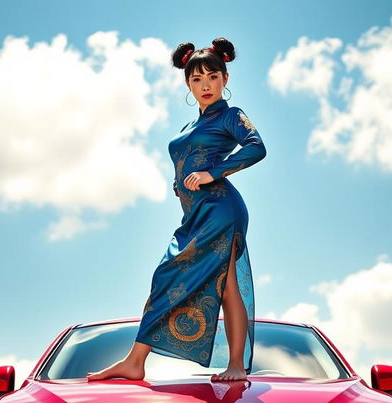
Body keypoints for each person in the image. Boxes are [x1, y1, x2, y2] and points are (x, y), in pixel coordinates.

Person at [87, 37, 267, 383]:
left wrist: (213, 172)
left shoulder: (231, 115)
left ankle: (235, 366)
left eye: (212, 77)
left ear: (225, 79)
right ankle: (135, 361)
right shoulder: (190, 127)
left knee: (227, 283)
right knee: (166, 275)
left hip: (221, 208)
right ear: (188, 85)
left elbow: (257, 147)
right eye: (197, 80)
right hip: (194, 214)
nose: (205, 85)